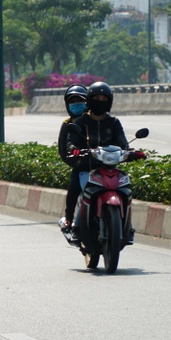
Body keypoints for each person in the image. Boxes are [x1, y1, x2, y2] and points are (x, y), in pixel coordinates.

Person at [66, 81, 130, 243]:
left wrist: (130, 152)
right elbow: (70, 140)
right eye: (96, 98)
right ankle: (72, 224)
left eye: (104, 99)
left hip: (109, 168)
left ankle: (128, 227)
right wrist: (74, 149)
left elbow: (123, 142)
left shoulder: (114, 122)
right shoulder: (81, 121)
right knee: (77, 188)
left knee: (126, 190)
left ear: (109, 102)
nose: (100, 102)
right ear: (89, 100)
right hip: (86, 167)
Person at [57, 84, 88, 233]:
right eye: (73, 101)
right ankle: (69, 217)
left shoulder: (96, 120)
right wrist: (76, 161)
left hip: (100, 163)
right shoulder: (68, 124)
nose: (77, 104)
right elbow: (64, 149)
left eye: (80, 101)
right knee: (74, 186)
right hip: (82, 165)